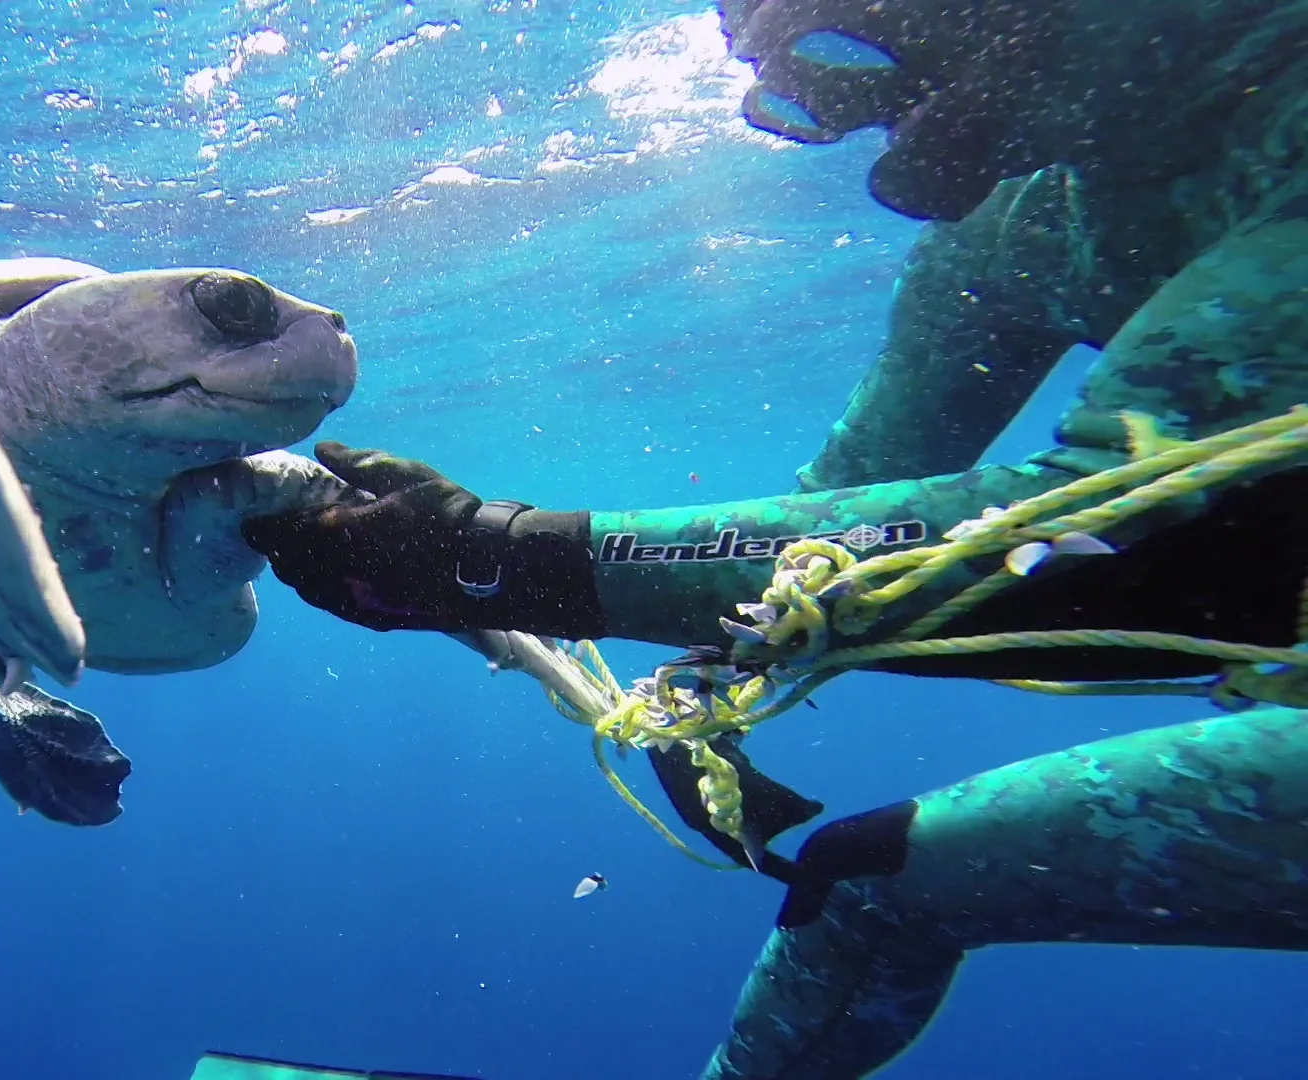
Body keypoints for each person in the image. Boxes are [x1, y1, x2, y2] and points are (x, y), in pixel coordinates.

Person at [240, 0, 1308, 1075]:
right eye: (794, 100)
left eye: (842, 63)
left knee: (880, 883)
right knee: (866, 885)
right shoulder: (1039, 226)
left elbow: (1156, 542)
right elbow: (847, 511)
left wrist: (500, 556)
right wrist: (702, 684)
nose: (844, 128)